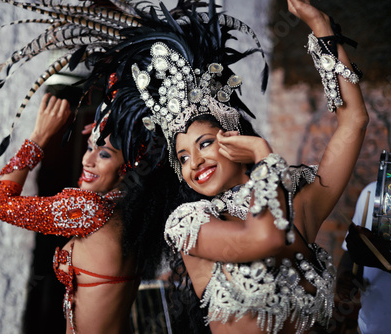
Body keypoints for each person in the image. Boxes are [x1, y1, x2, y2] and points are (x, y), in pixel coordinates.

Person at [86, 0, 367, 332]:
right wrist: (263, 157)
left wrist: (320, 26)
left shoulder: (296, 201)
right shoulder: (190, 223)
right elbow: (267, 238)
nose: (196, 162)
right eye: (184, 156)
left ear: (233, 137)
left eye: (204, 144)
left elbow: (353, 122)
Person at [0, 92, 179, 334]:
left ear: (129, 167)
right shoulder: (134, 214)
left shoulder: (90, 211)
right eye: (89, 147)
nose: (88, 160)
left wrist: (39, 136)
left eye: (104, 154)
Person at [335, 109, 391, 334]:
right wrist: (346, 279)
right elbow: (352, 254)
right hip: (373, 327)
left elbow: (375, 258)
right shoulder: (372, 194)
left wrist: (384, 259)